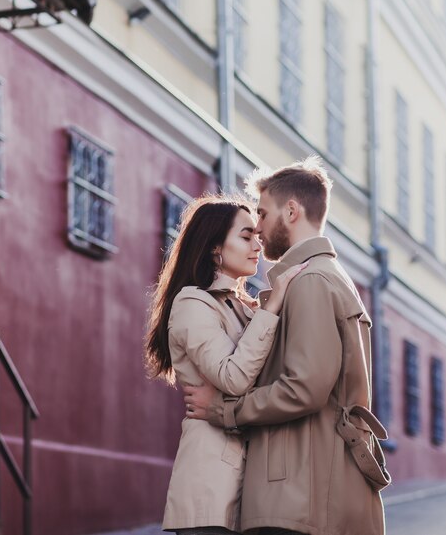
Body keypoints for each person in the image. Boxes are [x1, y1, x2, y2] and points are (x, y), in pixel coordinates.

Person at [184, 157, 391, 535]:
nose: (258, 229)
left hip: (300, 493)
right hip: (307, 487)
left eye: (262, 214)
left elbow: (304, 387)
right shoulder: (321, 278)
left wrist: (224, 411)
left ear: (291, 211)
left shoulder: (311, 281)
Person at [144, 194, 306, 535]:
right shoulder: (192, 302)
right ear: (215, 248)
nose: (256, 246)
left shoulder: (245, 306)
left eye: (256, 237)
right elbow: (232, 378)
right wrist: (272, 304)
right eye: (246, 237)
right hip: (210, 488)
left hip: (252, 484)